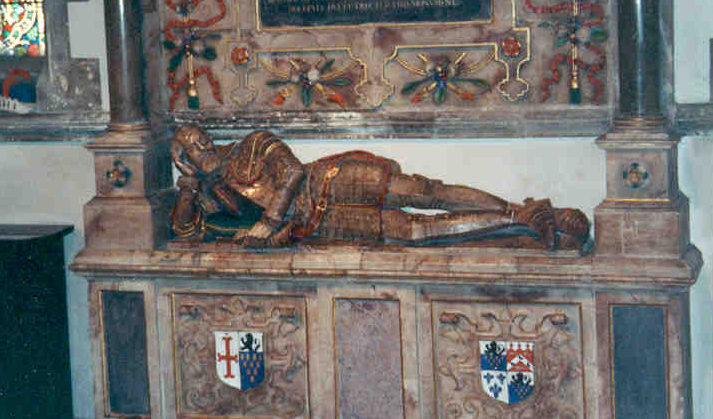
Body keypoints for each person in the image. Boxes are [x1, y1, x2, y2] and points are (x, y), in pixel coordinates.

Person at [170, 125, 590, 249]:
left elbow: (293, 172)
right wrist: (188, 186)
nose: (203, 147)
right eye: (193, 148)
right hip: (321, 224)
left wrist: (271, 220)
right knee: (416, 232)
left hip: (330, 180)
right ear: (184, 157)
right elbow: (185, 231)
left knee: (426, 191)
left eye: (203, 140)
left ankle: (519, 210)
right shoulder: (210, 195)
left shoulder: (250, 145)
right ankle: (523, 223)